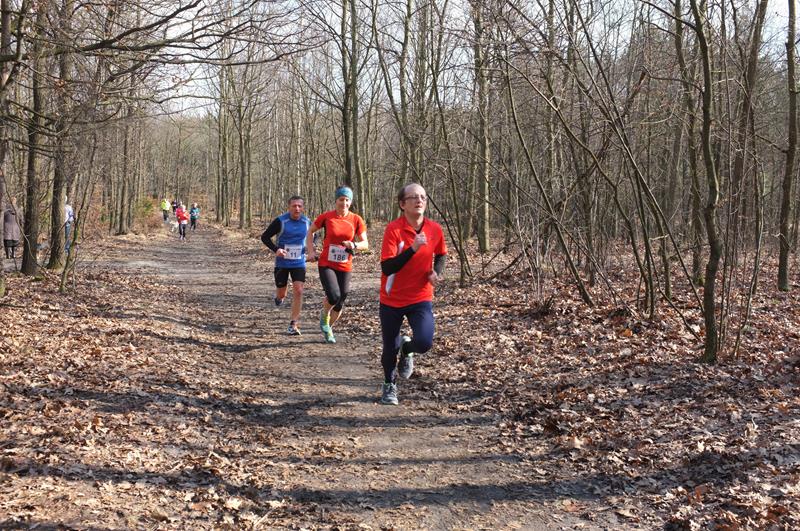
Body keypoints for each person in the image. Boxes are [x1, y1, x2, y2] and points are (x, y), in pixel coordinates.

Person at [378, 183, 447, 406]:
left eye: (423, 197)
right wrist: (412, 249)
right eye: (414, 197)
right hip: (392, 299)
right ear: (402, 204)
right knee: (390, 348)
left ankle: (407, 349)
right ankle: (389, 385)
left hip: (420, 296)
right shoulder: (393, 229)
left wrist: (436, 272)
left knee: (425, 342)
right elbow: (388, 267)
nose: (419, 201)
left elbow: (441, 255)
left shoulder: (435, 229)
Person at [306, 185, 368, 343]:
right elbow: (310, 231)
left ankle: (328, 328)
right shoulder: (327, 217)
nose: (344, 203)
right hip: (327, 263)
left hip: (345, 265)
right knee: (334, 296)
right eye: (341, 199)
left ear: (350, 202)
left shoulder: (356, 219)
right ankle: (325, 315)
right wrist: (311, 251)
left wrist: (354, 245)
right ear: (336, 200)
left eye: (347, 200)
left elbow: (365, 243)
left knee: (341, 301)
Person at [261, 196, 312, 335]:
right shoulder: (281, 221)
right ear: (289, 207)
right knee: (281, 293)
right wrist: (276, 249)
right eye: (294, 206)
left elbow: (314, 236)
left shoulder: (307, 222)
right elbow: (265, 237)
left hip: (299, 262)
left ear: (303, 208)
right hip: (282, 262)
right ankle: (279, 297)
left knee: (299, 290)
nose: (297, 209)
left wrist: (310, 248)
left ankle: (293, 324)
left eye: (300, 206)